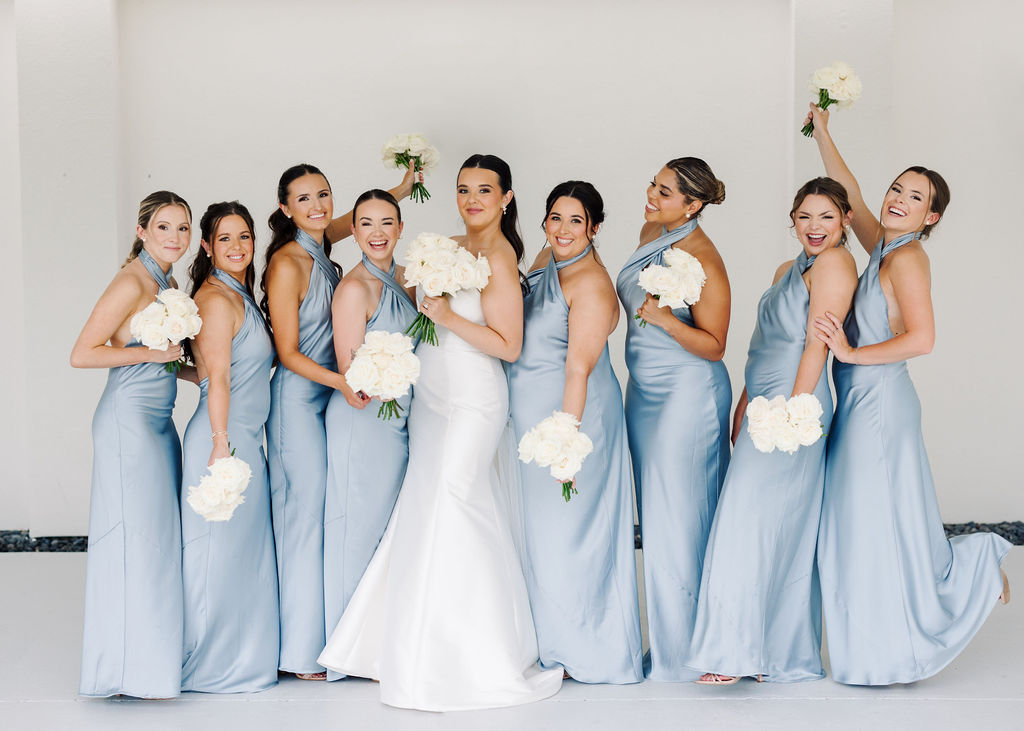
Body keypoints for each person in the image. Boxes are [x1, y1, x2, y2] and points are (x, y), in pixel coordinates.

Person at [319, 154, 563, 710]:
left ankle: (466, 653)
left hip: (474, 396)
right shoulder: (445, 245)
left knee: (458, 501)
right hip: (430, 397)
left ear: (505, 197)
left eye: (484, 189)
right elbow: (379, 258)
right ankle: (401, 641)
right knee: (425, 504)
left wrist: (449, 316)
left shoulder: (501, 257)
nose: (472, 199)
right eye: (463, 188)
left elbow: (509, 346)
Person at [806, 104, 1012, 685]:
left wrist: (848, 354)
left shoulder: (909, 257)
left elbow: (922, 339)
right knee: (862, 522)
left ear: (931, 216)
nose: (898, 200)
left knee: (871, 523)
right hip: (861, 402)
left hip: (880, 405)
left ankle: (961, 580)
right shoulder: (883, 247)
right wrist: (823, 132)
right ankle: (871, 647)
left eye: (914, 197)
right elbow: (851, 196)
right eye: (897, 189)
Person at [689, 177, 857, 684]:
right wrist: (746, 401)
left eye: (826, 217)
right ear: (793, 219)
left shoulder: (836, 265)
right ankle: (764, 652)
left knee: (754, 523)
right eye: (805, 216)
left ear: (845, 220)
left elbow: (815, 346)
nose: (814, 227)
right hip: (761, 398)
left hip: (795, 407)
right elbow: (761, 345)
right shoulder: (789, 269)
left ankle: (738, 654)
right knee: (765, 525)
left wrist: (794, 413)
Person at [262, 163, 416, 679]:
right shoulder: (289, 261)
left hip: (329, 399)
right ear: (285, 209)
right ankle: (303, 653)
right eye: (303, 199)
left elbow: (357, 222)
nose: (317, 206)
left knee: (325, 521)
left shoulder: (322, 246)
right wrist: (345, 382)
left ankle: (334, 640)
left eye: (323, 195)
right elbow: (287, 353)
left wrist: (397, 191)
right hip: (300, 402)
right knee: (304, 523)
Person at [508, 181, 642, 684]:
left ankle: (592, 652)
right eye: (555, 218)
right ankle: (555, 644)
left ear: (595, 229)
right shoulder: (551, 258)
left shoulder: (588, 283)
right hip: (536, 416)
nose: (562, 230)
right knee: (544, 536)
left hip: (573, 416)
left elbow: (578, 370)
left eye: (575, 222)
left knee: (571, 533)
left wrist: (565, 440)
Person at [71, 191, 194, 698]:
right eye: (164, 227)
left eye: (183, 228)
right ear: (142, 231)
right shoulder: (131, 281)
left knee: (156, 546)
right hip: (127, 424)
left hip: (159, 423)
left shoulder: (167, 281)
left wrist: (198, 371)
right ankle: (121, 671)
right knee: (131, 544)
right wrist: (152, 349)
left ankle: (152, 661)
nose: (175, 237)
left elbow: (161, 361)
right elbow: (82, 354)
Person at [614, 158, 731, 681]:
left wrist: (662, 318)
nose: (651, 194)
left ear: (694, 205)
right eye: (653, 184)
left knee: (679, 521)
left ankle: (691, 652)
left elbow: (714, 345)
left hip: (688, 395)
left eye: (664, 191)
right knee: (657, 522)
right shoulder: (650, 230)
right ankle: (669, 642)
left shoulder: (704, 257)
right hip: (644, 392)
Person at [179, 202, 278, 693]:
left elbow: (202, 365)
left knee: (242, 554)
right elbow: (216, 378)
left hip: (243, 439)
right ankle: (210, 663)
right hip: (222, 442)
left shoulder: (239, 292)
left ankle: (241, 658)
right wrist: (221, 446)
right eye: (225, 239)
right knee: (215, 556)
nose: (237, 247)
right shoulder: (216, 299)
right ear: (207, 246)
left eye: (244, 237)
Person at [322, 190, 417, 681]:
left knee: (387, 534)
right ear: (353, 233)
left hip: (398, 423)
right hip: (363, 423)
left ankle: (378, 643)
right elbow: (350, 373)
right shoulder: (355, 289)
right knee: (355, 531)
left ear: (400, 227)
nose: (377, 232)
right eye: (366, 224)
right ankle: (344, 649)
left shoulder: (407, 280)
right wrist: (391, 379)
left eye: (387, 222)